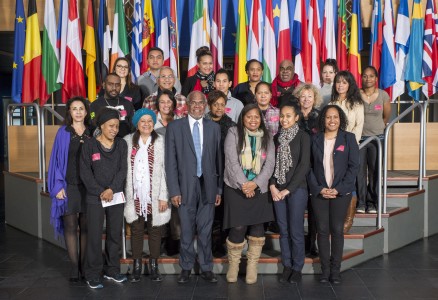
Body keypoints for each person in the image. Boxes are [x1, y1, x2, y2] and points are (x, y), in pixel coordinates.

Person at [165, 91, 223, 284]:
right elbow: (170, 162)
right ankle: (186, 267)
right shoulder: (174, 127)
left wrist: (219, 190)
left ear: (205, 105)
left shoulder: (214, 128)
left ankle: (206, 267)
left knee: (206, 231)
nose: (197, 106)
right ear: (187, 105)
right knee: (187, 230)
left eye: (201, 103)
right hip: (184, 187)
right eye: (194, 103)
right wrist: (174, 190)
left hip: (208, 186)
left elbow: (218, 162)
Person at [223, 104, 275, 285]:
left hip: (259, 188)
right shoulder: (233, 133)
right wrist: (245, 184)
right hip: (236, 188)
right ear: (242, 118)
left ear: (261, 119)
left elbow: (270, 165)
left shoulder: (268, 136)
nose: (253, 120)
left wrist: (256, 183)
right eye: (249, 117)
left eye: (256, 117)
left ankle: (252, 265)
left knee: (257, 228)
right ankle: (234, 265)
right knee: (237, 227)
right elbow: (231, 161)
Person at [307, 105, 359, 284]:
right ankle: (325, 270)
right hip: (319, 192)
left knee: (337, 230)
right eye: (328, 117)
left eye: (335, 117)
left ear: (340, 119)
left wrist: (339, 189)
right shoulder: (314, 139)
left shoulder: (349, 138)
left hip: (340, 193)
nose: (332, 121)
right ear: (323, 119)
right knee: (321, 231)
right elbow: (309, 167)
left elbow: (354, 167)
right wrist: (319, 188)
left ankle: (335, 271)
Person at [80, 107, 128, 289]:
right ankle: (92, 273)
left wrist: (111, 190)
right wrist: (101, 191)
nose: (114, 130)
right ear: (101, 126)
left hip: (115, 196)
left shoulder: (122, 144)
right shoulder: (89, 145)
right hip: (95, 197)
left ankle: (112, 269)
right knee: (94, 236)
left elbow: (123, 170)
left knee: (115, 234)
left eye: (116, 126)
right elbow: (85, 173)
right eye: (110, 126)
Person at [124, 108, 171, 282]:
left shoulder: (161, 142)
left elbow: (166, 171)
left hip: (156, 193)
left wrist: (163, 196)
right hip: (135, 193)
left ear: (154, 123)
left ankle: (154, 265)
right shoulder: (128, 141)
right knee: (136, 229)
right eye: (142, 121)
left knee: (155, 229)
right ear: (137, 124)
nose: (146, 124)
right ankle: (136, 265)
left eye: (150, 121)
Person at [48, 97, 92, 282]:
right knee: (71, 227)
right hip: (69, 185)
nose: (78, 112)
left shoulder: (92, 132)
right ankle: (74, 267)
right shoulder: (63, 133)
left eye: (81, 108)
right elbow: (56, 161)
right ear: (69, 112)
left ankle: (83, 266)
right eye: (75, 109)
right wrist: (57, 186)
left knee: (86, 228)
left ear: (86, 111)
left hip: (89, 187)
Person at [269, 102, 310, 283]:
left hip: (296, 190)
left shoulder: (303, 137)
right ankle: (287, 264)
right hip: (277, 190)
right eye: (282, 116)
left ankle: (297, 267)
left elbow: (304, 166)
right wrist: (272, 186)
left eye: (288, 116)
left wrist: (288, 189)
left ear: (296, 118)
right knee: (283, 230)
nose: (284, 119)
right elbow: (271, 165)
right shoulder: (276, 137)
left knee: (296, 230)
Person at [329, 71, 364, 233]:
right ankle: (336, 218)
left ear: (349, 84)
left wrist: (350, 144)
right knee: (334, 180)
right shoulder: (332, 103)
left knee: (349, 181)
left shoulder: (356, 103)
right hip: (332, 146)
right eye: (338, 82)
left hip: (349, 146)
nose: (340, 85)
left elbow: (358, 126)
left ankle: (348, 219)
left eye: (344, 82)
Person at [205, 90, 236, 256]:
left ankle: (219, 243)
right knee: (207, 211)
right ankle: (207, 242)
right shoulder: (201, 123)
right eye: (215, 104)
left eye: (222, 104)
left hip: (225, 174)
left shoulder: (231, 126)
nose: (219, 107)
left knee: (222, 212)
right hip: (206, 173)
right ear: (210, 106)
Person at [357, 66, 391, 214]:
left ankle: (372, 202)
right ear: (362, 78)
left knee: (374, 171)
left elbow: (386, 117)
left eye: (371, 76)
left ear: (376, 79)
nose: (368, 79)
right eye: (365, 76)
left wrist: (378, 129)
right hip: (360, 139)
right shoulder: (356, 94)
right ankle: (361, 203)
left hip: (377, 139)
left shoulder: (383, 95)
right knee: (359, 172)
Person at [294, 84, 323, 257]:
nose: (306, 100)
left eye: (309, 96)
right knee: (297, 209)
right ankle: (296, 244)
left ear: (315, 98)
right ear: (298, 98)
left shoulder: (319, 117)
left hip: (314, 167)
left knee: (314, 210)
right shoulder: (293, 115)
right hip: (296, 167)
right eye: (303, 96)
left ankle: (312, 244)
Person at [90, 73, 135, 138]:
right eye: (110, 84)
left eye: (117, 85)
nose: (114, 88)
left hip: (125, 142)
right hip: (103, 144)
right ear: (104, 85)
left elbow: (133, 127)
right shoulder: (95, 105)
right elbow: (93, 127)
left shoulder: (128, 104)